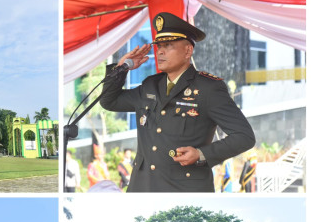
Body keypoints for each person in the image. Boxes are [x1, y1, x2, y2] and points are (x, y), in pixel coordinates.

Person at [100, 12, 255, 192]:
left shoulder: (208, 88)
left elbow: (244, 137)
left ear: (188, 50)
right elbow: (109, 101)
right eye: (159, 46)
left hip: (183, 190)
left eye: (168, 45)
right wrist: (121, 68)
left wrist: (201, 154)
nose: (160, 51)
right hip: (142, 188)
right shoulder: (149, 85)